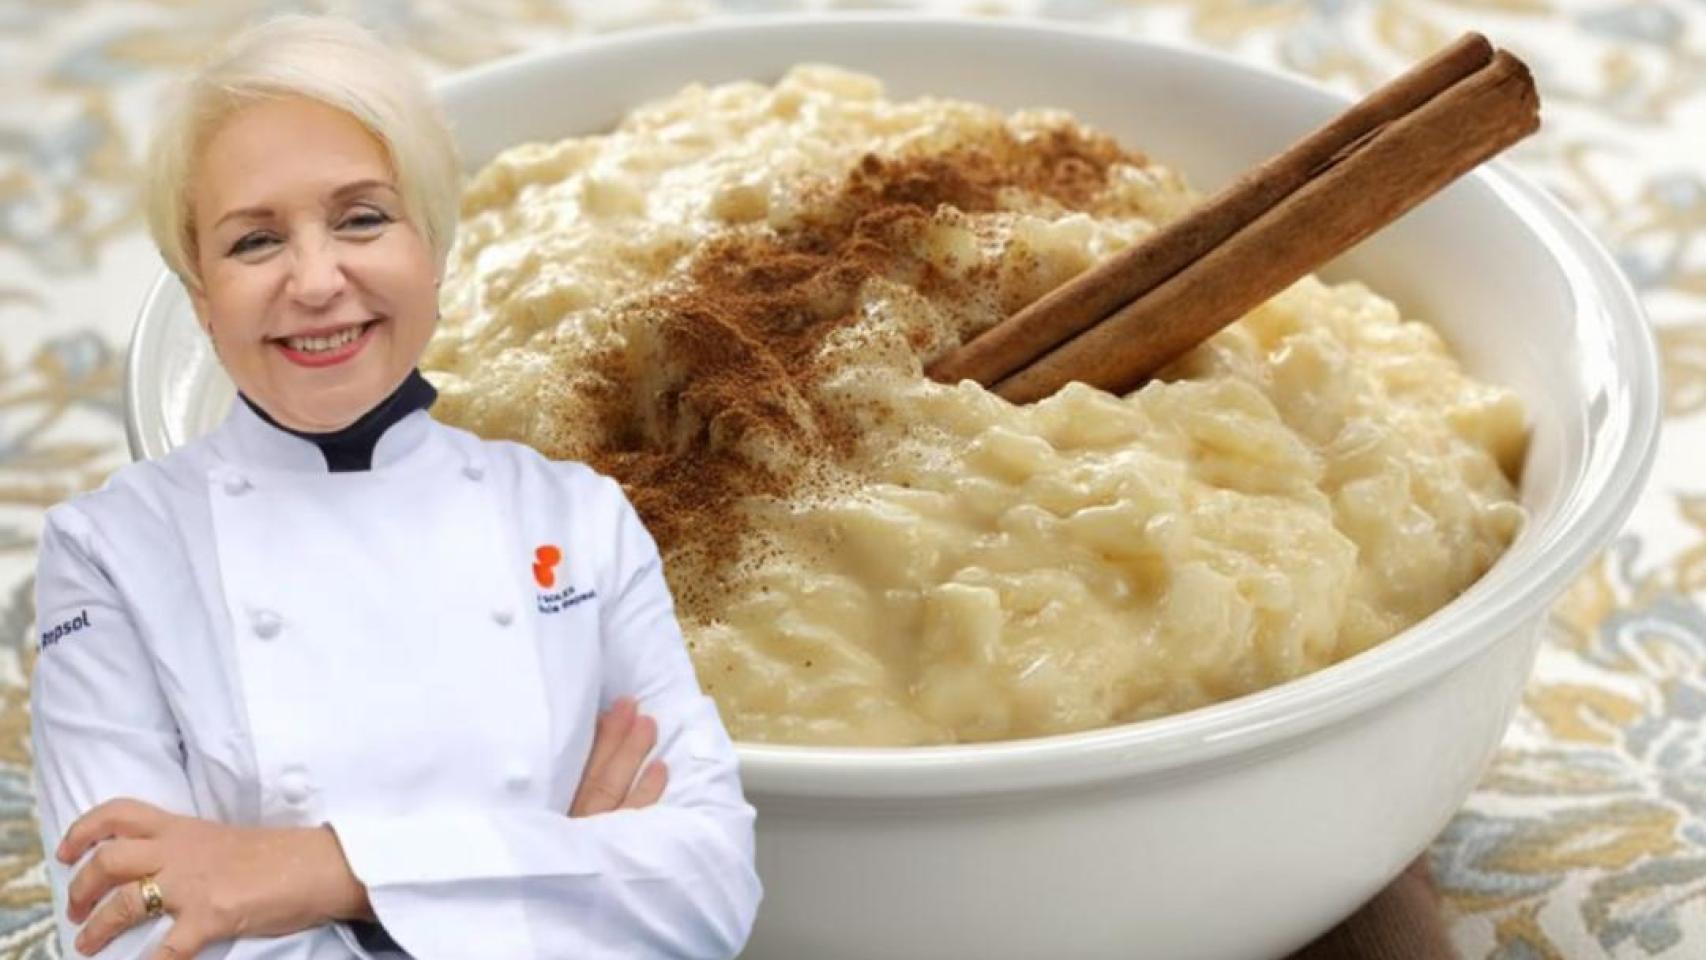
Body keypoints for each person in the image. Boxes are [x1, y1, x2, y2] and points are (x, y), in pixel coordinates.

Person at [28, 14, 761, 960]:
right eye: (254, 242)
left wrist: (315, 874)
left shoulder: (576, 517)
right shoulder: (109, 553)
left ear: (434, 250)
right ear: (202, 298)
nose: (318, 279)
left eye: (362, 218)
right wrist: (561, 868)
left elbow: (703, 888)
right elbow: (125, 936)